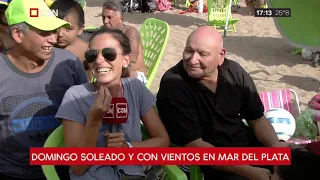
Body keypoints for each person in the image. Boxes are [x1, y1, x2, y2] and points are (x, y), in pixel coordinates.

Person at [156, 26, 287, 180]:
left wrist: (277, 151)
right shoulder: (173, 84)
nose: (192, 60)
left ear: (221, 56)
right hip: (211, 164)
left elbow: (257, 119)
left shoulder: (234, 72)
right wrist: (252, 172)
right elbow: (196, 146)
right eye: (189, 51)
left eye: (202, 54)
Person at [55, 27, 170, 180]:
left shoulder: (135, 88)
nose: (99, 60)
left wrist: (128, 148)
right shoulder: (75, 96)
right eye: (92, 55)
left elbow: (163, 140)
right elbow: (77, 167)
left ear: (126, 60)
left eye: (109, 54)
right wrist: (94, 120)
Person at [0, 0, 88, 179]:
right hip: (12, 173)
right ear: (17, 33)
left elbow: (87, 112)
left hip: (66, 169)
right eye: (44, 32)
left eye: (53, 31)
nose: (53, 39)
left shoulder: (69, 63)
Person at [102, 0, 148, 85]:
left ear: (120, 18)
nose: (105, 21)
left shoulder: (130, 33)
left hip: (134, 74)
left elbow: (132, 60)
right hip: (115, 68)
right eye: (103, 17)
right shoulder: (107, 30)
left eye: (109, 17)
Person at [49, 0, 91, 79]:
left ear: (80, 29)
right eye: (56, 27)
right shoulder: (47, 48)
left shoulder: (88, 51)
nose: (60, 34)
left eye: (68, 28)